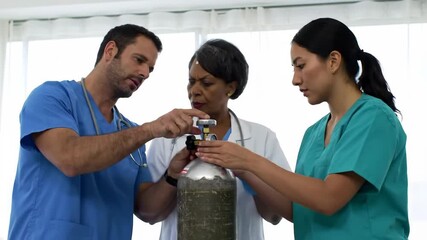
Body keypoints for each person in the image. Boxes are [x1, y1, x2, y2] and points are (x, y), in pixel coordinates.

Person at [195, 18, 410, 239]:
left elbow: (329, 199)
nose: (295, 80)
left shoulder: (373, 117)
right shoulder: (314, 133)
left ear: (333, 61)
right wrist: (243, 170)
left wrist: (249, 160)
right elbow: (296, 209)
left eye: (301, 66)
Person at [8, 24, 209, 240]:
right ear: (110, 50)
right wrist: (151, 129)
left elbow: (147, 210)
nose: (145, 73)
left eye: (150, 69)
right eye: (139, 60)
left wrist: (174, 175)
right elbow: (70, 158)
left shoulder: (131, 134)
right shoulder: (52, 98)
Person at [146, 39, 291, 240]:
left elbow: (275, 215)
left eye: (206, 83)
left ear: (230, 87)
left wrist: (248, 170)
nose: (194, 91)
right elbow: (150, 214)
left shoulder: (261, 138)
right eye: (191, 81)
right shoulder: (167, 138)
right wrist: (172, 175)